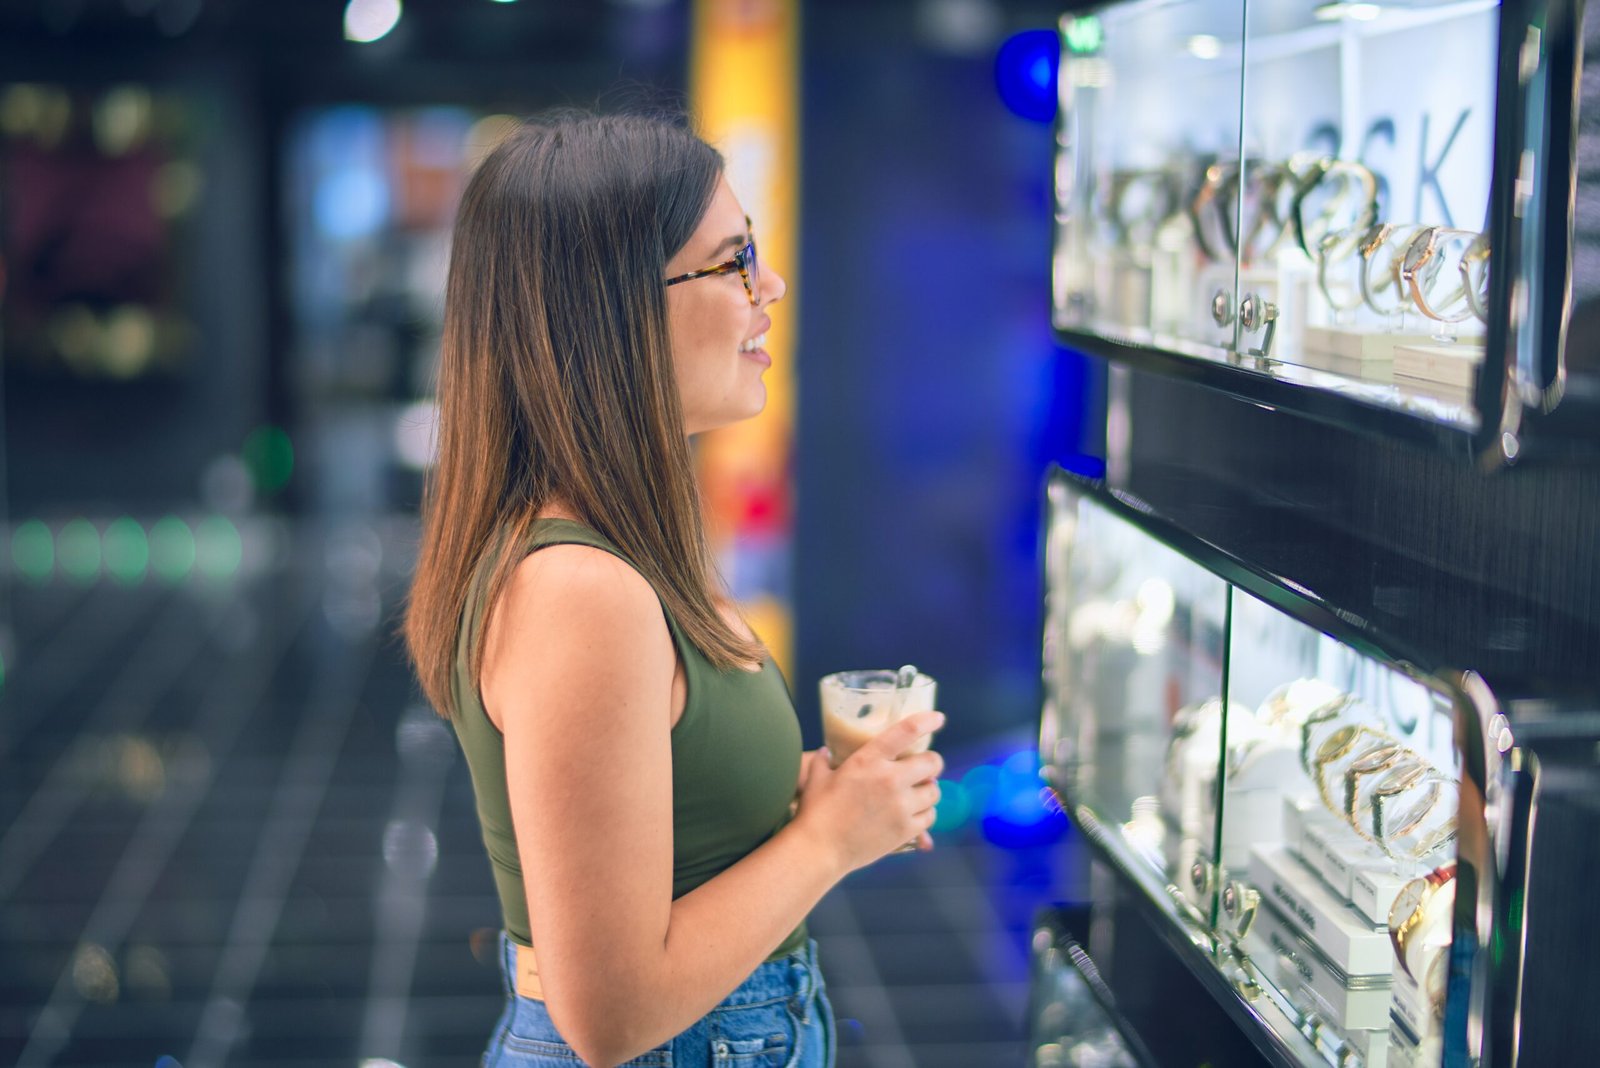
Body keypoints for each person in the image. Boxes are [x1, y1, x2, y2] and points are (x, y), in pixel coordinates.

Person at [402, 110, 945, 1068]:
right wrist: (828, 841)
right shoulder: (580, 588)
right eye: (733, 262)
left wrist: (806, 805)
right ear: (609, 308)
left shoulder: (616, 540)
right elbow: (609, 1015)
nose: (768, 288)